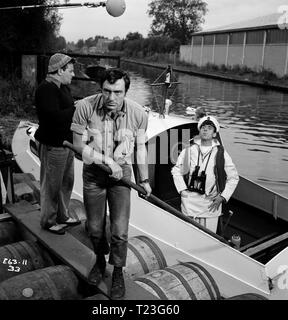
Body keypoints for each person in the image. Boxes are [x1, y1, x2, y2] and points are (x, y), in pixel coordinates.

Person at [71, 68, 152, 299]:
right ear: (101, 88)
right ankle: (99, 260)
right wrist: (106, 160)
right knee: (95, 229)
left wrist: (144, 180)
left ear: (126, 91)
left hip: (122, 176)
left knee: (119, 231)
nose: (112, 98)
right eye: (107, 91)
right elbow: (78, 145)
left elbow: (141, 149)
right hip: (94, 174)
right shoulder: (84, 107)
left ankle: (117, 271)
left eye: (118, 92)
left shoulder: (139, 114)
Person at [34, 53, 81, 235]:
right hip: (53, 144)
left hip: (66, 144)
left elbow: (66, 110)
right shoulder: (46, 89)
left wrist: (75, 107)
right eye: (70, 70)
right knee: (52, 184)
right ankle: (48, 221)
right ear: (59, 70)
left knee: (67, 182)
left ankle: (62, 215)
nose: (73, 74)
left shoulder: (62, 87)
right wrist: (75, 109)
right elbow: (52, 118)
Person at [171, 115, 239, 233]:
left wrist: (223, 197)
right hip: (189, 202)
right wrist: (182, 190)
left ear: (214, 134)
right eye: (203, 127)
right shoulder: (189, 149)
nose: (205, 130)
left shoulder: (221, 153)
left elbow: (233, 178)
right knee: (188, 235)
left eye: (209, 128)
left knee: (209, 237)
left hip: (210, 204)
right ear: (199, 130)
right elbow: (176, 170)